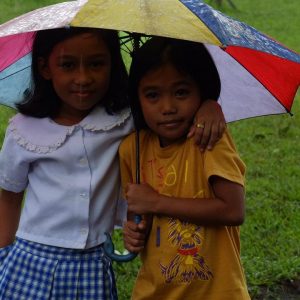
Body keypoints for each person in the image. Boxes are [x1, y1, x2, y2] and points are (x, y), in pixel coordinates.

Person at [0, 27, 225, 299]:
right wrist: (3, 254)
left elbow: (169, 114)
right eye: (68, 65)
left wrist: (210, 104)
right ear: (45, 68)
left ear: (113, 63)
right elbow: (9, 198)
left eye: (96, 64)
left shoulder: (127, 120)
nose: (83, 78)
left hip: (94, 261)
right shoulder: (23, 131)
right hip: (28, 259)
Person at [120, 37, 250, 300]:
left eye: (181, 92)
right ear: (136, 97)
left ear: (202, 90)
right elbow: (140, 215)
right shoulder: (131, 150)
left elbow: (232, 210)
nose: (168, 108)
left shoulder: (208, 139)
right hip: (153, 292)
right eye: (152, 95)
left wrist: (156, 201)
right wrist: (133, 233)